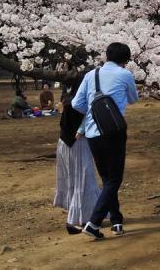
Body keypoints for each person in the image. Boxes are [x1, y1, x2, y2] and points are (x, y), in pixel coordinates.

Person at [72, 43, 139, 240]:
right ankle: (94, 223)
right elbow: (134, 99)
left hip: (93, 134)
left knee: (108, 179)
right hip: (114, 132)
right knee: (114, 179)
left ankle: (117, 220)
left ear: (106, 56)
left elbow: (77, 103)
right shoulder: (124, 74)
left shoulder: (91, 75)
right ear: (125, 59)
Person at [53, 74, 101, 235]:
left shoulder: (68, 99)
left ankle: (79, 217)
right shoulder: (82, 102)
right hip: (77, 143)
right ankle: (76, 220)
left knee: (73, 180)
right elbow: (87, 121)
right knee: (83, 179)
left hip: (64, 143)